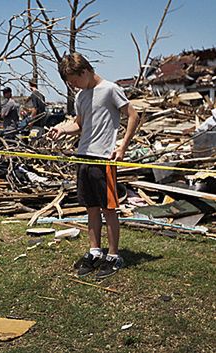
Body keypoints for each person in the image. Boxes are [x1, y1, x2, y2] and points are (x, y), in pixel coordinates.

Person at [47, 53, 139, 279]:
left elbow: (133, 115)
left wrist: (122, 147)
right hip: (83, 157)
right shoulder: (81, 96)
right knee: (91, 207)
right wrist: (61, 129)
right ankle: (95, 251)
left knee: (109, 209)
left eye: (74, 80)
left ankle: (114, 255)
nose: (73, 85)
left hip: (103, 159)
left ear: (85, 71)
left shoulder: (110, 89)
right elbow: (79, 124)